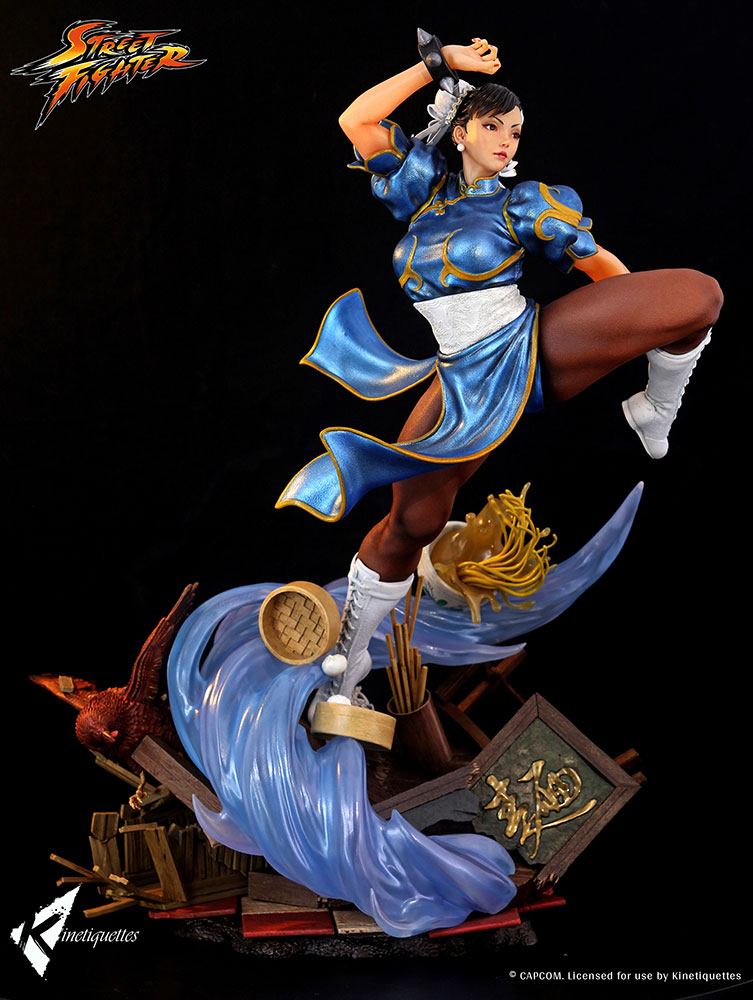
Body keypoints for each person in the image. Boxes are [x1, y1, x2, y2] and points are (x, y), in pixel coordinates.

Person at [277, 35, 723, 717]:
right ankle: (346, 668)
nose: (508, 140)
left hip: (530, 348)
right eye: (493, 126)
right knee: (409, 524)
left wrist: (634, 327)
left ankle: (656, 408)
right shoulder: (419, 192)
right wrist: (439, 64)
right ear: (461, 131)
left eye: (516, 130)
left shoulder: (524, 203)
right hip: (459, 381)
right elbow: (356, 120)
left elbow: (605, 272)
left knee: (696, 296)